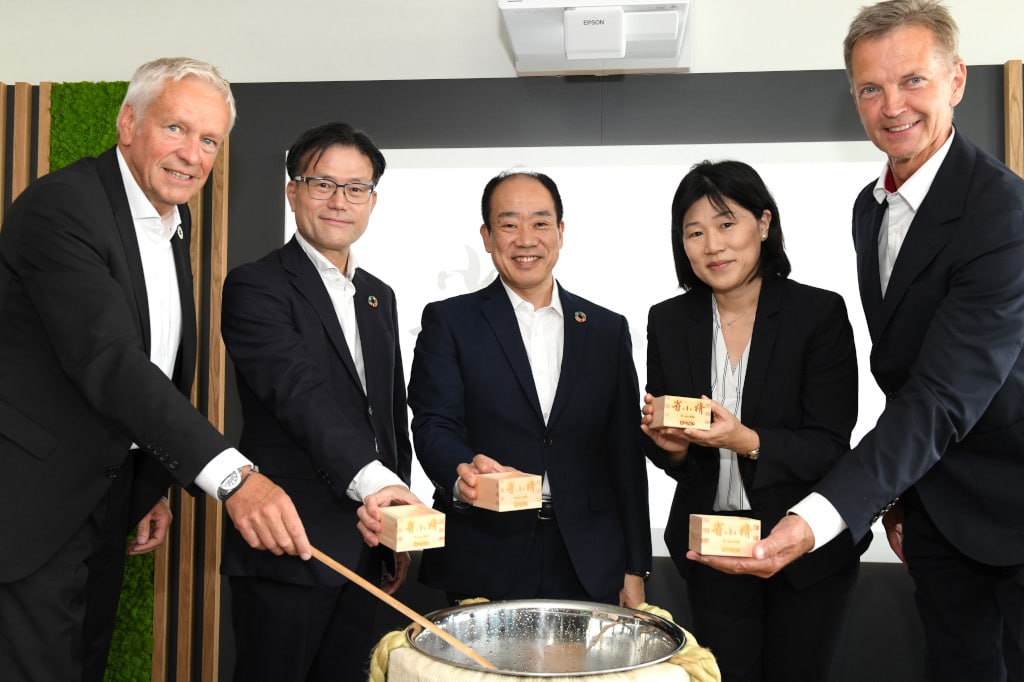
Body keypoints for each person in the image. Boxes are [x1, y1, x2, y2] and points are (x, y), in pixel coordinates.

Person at [691, 2, 1024, 680]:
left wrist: (821, 516)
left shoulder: (1003, 213)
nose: (892, 106)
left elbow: (941, 395)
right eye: (871, 88)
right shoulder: (868, 209)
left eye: (913, 80)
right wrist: (902, 494)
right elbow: (903, 373)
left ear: (957, 80)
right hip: (935, 511)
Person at [0, 58, 311, 682]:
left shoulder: (173, 218)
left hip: (108, 496)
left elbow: (159, 359)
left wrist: (148, 483)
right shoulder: (63, 206)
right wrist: (234, 478)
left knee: (85, 664)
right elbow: (109, 362)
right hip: (33, 505)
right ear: (127, 123)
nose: (192, 155)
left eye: (209, 140)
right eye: (176, 129)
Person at [640, 160, 868, 682]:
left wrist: (747, 440)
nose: (713, 246)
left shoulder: (818, 313)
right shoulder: (668, 320)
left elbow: (830, 446)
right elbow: (671, 452)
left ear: (763, 224)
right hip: (712, 548)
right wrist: (670, 446)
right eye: (695, 232)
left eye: (727, 224)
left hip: (803, 550)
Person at [220, 122, 419, 681]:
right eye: (322, 183)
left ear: (372, 200)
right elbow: (298, 393)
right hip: (289, 544)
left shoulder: (379, 296)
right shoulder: (256, 286)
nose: (339, 201)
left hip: (366, 542)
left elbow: (388, 416)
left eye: (356, 188)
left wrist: (395, 525)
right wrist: (379, 486)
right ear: (293, 191)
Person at [406, 170, 651, 607]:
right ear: (486, 236)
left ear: (560, 232)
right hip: (484, 549)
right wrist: (463, 473)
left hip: (589, 557)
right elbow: (433, 424)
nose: (525, 239)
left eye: (540, 223)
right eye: (508, 224)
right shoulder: (450, 321)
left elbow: (625, 455)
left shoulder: (606, 330)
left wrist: (635, 566)